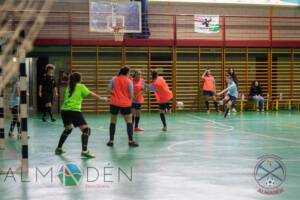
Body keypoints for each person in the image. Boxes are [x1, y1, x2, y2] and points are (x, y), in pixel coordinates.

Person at [55, 72, 107, 159]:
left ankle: (59, 148)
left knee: (68, 129)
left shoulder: (69, 87)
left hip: (64, 110)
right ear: (79, 79)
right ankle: (84, 151)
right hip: (73, 110)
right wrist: (101, 98)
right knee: (86, 130)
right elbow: (90, 94)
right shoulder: (81, 86)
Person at [106, 66, 139, 147]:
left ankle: (111, 141)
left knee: (113, 121)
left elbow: (109, 89)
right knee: (129, 122)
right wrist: (131, 100)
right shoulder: (129, 81)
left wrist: (114, 94)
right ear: (127, 73)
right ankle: (131, 141)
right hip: (125, 103)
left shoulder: (114, 79)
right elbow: (131, 95)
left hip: (114, 103)